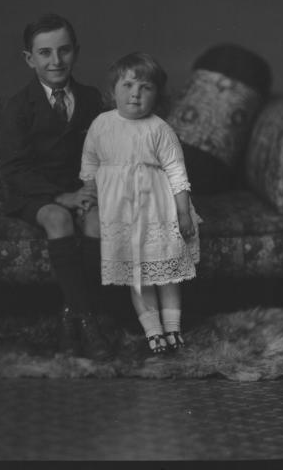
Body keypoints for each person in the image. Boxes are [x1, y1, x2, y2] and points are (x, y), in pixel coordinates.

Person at [0, 12, 112, 361]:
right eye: (45, 53)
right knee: (58, 219)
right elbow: (15, 169)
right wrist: (59, 196)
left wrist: (92, 189)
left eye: (63, 51)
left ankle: (69, 313)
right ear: (29, 58)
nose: (55, 61)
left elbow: (105, 152)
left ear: (75, 52)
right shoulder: (19, 106)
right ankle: (88, 319)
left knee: (96, 222)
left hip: (80, 187)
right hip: (35, 192)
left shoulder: (92, 99)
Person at [80, 52, 201, 354]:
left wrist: (183, 212)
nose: (135, 94)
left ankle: (173, 328)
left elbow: (176, 172)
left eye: (145, 87)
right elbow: (90, 164)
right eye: (128, 85)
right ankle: (153, 330)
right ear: (113, 91)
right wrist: (90, 197)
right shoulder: (101, 125)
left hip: (157, 210)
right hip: (120, 213)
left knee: (167, 273)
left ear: (156, 95)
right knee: (138, 275)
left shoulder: (159, 128)